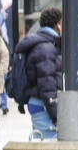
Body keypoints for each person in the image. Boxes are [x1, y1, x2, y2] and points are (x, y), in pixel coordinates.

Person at [16, 7, 63, 139]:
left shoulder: (45, 44)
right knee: (48, 148)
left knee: (42, 143)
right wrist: (56, 116)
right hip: (44, 106)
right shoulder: (45, 48)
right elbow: (47, 85)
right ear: (58, 24)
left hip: (40, 104)